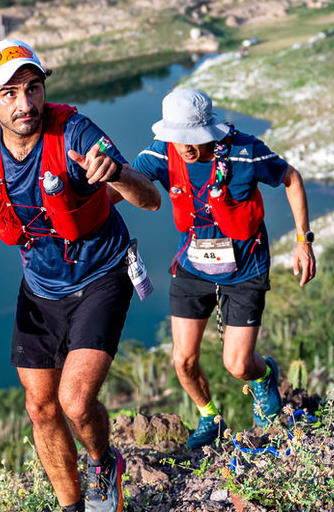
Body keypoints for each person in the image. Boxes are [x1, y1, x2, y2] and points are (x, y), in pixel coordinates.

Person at [0, 39, 162, 512]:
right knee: (39, 407)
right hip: (41, 288)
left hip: (101, 275)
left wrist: (118, 174)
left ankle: (104, 464)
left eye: (33, 88)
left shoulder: (75, 132)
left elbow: (150, 199)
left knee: (74, 401)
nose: (25, 103)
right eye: (9, 94)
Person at [131, 88, 317, 450]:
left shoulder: (245, 151)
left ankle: (265, 376)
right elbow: (125, 184)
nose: (185, 147)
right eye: (177, 137)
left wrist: (303, 241)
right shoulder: (161, 152)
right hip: (192, 265)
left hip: (245, 268)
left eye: (191, 137)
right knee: (183, 360)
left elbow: (291, 179)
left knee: (238, 365)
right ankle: (210, 417)